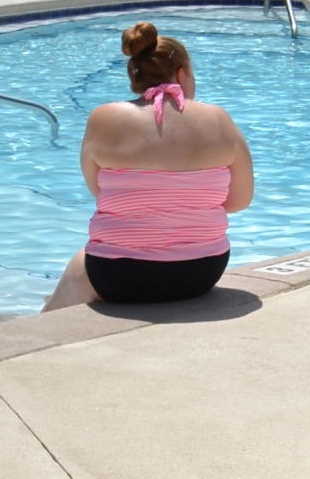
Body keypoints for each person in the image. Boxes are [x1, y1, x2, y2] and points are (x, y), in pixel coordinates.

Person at [45, 22, 252, 310]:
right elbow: (240, 200)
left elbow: (100, 191)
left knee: (76, 270)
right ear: (181, 74)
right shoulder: (218, 118)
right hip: (202, 271)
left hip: (118, 276)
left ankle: (31, 324)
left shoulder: (103, 118)